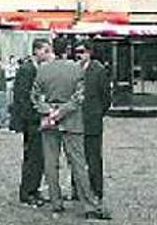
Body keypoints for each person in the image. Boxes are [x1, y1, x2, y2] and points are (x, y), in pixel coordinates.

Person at [31, 40, 110, 220]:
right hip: (72, 121)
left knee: (51, 164)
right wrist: (62, 112)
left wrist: (50, 112)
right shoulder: (77, 69)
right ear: (67, 50)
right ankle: (89, 204)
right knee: (78, 164)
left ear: (52, 49)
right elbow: (78, 98)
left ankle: (56, 202)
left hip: (49, 121)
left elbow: (35, 97)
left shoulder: (42, 69)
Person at [12, 39, 54, 207]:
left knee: (38, 157)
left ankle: (33, 189)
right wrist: (37, 116)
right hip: (32, 121)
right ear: (37, 51)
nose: (48, 53)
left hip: (35, 119)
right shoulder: (27, 69)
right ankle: (27, 192)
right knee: (33, 157)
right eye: (46, 50)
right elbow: (24, 97)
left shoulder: (36, 68)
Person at [69, 41, 112, 201]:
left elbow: (106, 97)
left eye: (81, 51)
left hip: (92, 121)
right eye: (76, 52)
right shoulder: (72, 69)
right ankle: (77, 190)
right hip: (74, 121)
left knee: (93, 158)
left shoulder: (99, 70)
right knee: (76, 158)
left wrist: (97, 113)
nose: (78, 55)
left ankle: (96, 190)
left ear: (89, 53)